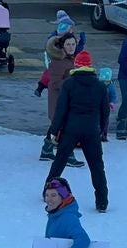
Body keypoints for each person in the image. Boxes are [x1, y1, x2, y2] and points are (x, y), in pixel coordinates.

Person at [46, 51, 109, 212]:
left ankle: (47, 190)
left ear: (77, 65)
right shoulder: (100, 86)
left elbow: (61, 110)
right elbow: (105, 111)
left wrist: (54, 130)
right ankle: (102, 201)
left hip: (71, 129)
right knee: (96, 166)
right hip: (91, 129)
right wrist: (102, 130)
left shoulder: (69, 84)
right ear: (90, 66)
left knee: (59, 161)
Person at [40, 32, 82, 167]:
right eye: (68, 44)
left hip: (67, 100)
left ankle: (46, 150)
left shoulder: (72, 59)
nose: (71, 47)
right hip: (59, 101)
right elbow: (54, 83)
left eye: (73, 44)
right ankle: (68, 156)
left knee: (56, 126)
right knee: (66, 129)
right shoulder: (59, 61)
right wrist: (72, 81)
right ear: (63, 46)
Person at [97, 67, 119, 142]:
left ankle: (104, 135)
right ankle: (97, 134)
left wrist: (112, 102)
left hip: (106, 106)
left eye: (107, 81)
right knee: (97, 120)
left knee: (105, 121)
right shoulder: (98, 85)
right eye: (104, 81)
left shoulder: (111, 86)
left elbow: (113, 95)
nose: (105, 83)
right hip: (97, 106)